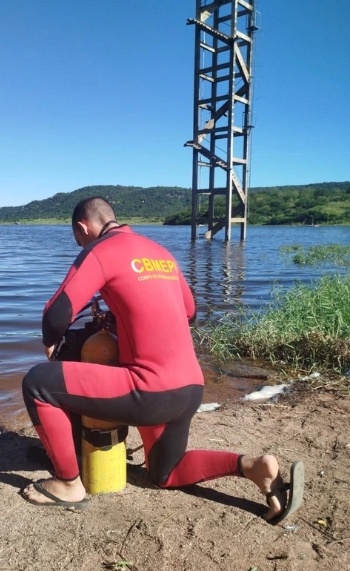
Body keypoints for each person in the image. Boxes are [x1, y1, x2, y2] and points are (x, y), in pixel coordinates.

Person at [20, 197, 304, 523]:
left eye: (78, 239)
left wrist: (50, 343)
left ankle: (68, 484)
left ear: (84, 228)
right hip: (190, 389)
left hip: (150, 390)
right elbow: (191, 314)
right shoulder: (161, 253)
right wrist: (119, 319)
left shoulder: (100, 251)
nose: (81, 244)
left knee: (38, 383)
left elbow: (55, 315)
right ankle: (253, 467)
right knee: (165, 473)